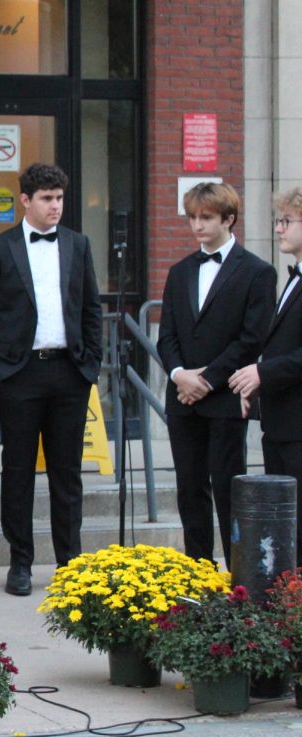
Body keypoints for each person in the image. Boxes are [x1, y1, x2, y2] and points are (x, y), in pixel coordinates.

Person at [0, 163, 102, 596]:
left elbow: (91, 310)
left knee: (67, 473)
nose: (55, 206)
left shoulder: (78, 245)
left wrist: (90, 365)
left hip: (69, 372)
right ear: (25, 201)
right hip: (18, 375)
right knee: (18, 470)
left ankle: (70, 563)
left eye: (59, 198)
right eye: (46, 199)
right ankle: (20, 562)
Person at [158, 182, 275, 566]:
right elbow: (167, 335)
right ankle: (197, 570)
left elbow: (251, 338)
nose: (197, 225)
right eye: (192, 217)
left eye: (205, 217)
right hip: (182, 400)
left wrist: (205, 380)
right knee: (189, 489)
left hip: (224, 397)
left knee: (228, 490)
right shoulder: (179, 271)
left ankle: (238, 575)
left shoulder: (257, 272)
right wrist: (178, 375)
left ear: (228, 218)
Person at [231, 187, 302, 562]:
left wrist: (262, 372)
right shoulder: (292, 278)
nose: (278, 229)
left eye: (287, 221)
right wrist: (257, 384)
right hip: (281, 422)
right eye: (277, 220)